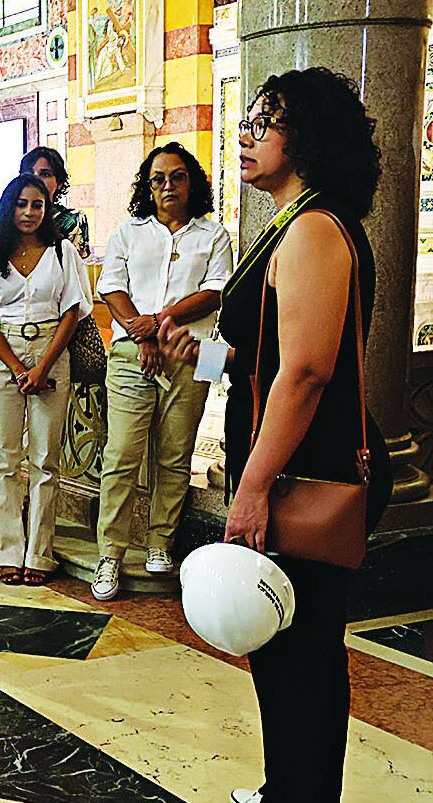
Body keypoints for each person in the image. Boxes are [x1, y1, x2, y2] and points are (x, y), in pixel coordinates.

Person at [159, 67, 390, 803]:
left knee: (301, 650)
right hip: (290, 458)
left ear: (308, 137)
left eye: (266, 121)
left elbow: (306, 374)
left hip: (308, 468)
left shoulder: (316, 227)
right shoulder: (292, 223)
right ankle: (289, 783)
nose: (246, 134)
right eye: (248, 119)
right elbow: (270, 358)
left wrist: (252, 487)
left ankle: (301, 791)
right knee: (285, 646)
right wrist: (203, 355)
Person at [90, 142, 232, 600]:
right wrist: (145, 334)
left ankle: (160, 543)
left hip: (190, 356)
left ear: (193, 182)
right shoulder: (129, 232)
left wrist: (160, 320)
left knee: (175, 455)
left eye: (177, 177)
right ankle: (109, 554)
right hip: (134, 354)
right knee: (122, 455)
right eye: (158, 179)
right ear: (146, 188)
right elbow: (111, 285)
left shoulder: (213, 234)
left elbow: (214, 290)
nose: (167, 186)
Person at [0, 145, 93, 545]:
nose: (30, 212)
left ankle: (39, 552)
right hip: (4, 358)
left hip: (52, 352)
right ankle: (8, 549)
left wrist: (43, 366)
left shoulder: (63, 252)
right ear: (8, 208)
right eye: (21, 204)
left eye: (37, 204)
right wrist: (18, 368)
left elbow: (72, 312)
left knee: (46, 461)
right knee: (4, 458)